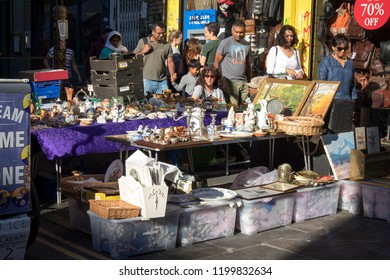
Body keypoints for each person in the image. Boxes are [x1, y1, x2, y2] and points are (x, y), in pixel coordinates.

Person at [318, 34, 357, 133]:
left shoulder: (350, 63)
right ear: (333, 47)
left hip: (347, 102)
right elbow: (322, 84)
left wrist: (353, 101)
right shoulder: (326, 62)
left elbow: (352, 83)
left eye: (345, 48)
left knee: (345, 131)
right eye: (340, 48)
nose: (343, 51)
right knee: (331, 132)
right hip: (331, 102)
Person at [214, 19, 251, 107]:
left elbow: (248, 64)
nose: (239, 34)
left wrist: (249, 81)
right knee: (232, 108)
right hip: (229, 81)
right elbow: (216, 62)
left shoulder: (247, 45)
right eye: (236, 32)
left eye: (241, 32)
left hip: (243, 82)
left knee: (247, 108)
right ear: (232, 31)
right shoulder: (225, 43)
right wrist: (220, 79)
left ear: (245, 32)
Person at [133, 21, 176, 95]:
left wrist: (173, 74)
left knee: (165, 104)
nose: (161, 35)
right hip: (147, 80)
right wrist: (143, 51)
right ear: (153, 32)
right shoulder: (143, 41)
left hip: (162, 81)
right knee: (146, 105)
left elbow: (170, 62)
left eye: (163, 33)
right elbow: (133, 57)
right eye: (159, 33)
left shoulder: (166, 45)